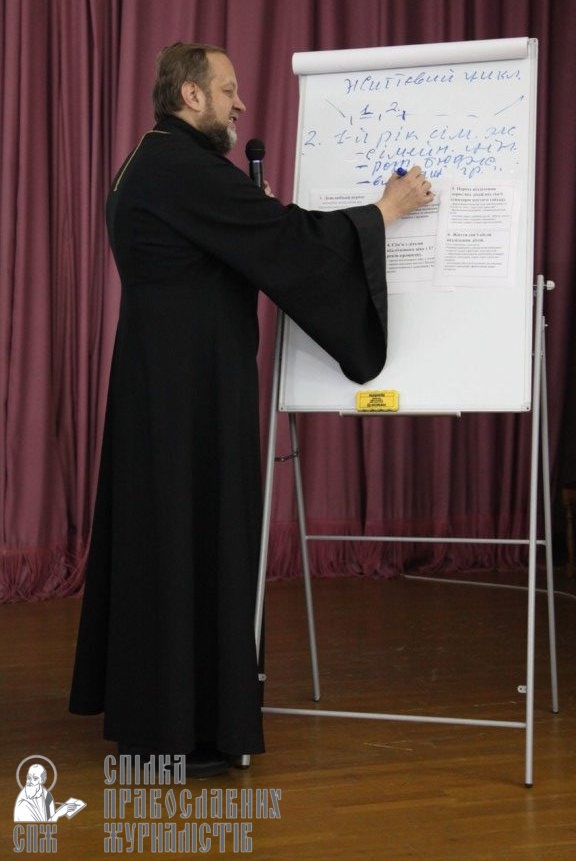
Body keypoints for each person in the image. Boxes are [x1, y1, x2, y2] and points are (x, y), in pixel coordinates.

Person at [69, 42, 432, 777]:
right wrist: (383, 213)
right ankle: (179, 731)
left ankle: (167, 719)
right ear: (190, 96)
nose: (239, 103)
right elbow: (287, 242)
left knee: (170, 541)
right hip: (188, 390)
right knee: (188, 538)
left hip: (166, 379)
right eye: (227, 89)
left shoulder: (155, 160)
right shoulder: (182, 166)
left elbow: (254, 242)